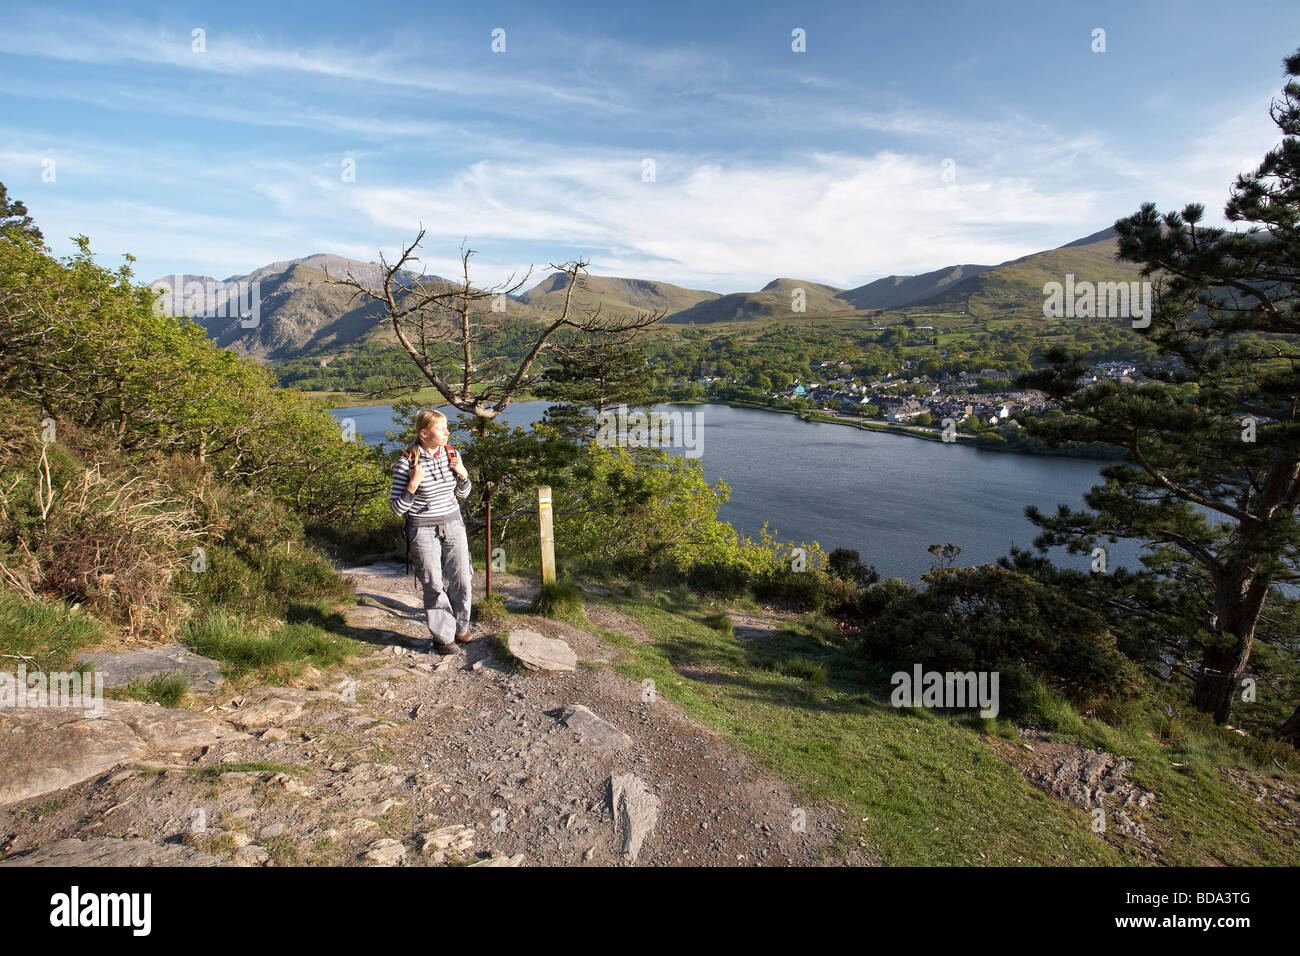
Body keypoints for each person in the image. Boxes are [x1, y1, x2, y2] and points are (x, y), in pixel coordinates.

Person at [389, 409, 473, 654]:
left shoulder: (451, 454)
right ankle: (444, 637)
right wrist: (413, 485)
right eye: (441, 428)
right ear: (423, 433)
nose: (447, 432)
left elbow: (462, 494)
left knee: (462, 579)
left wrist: (463, 475)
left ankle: (461, 627)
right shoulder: (406, 463)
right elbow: (396, 508)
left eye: (446, 427)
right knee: (433, 583)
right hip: (422, 528)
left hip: (453, 523)